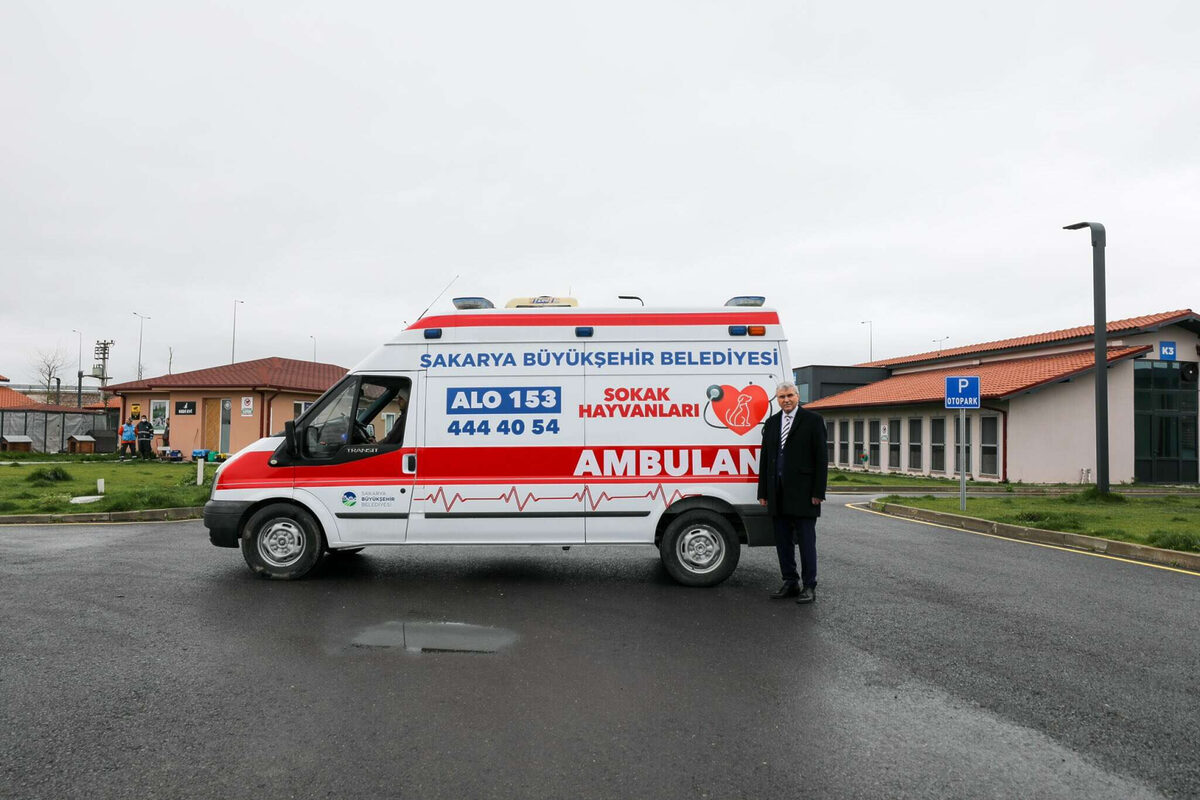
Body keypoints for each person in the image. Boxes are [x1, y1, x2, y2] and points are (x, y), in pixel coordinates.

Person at [757, 381, 828, 604]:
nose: (786, 400)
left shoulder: (813, 421)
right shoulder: (771, 423)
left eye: (789, 395)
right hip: (777, 493)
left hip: (805, 494)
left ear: (797, 396)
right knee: (783, 541)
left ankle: (809, 586)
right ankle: (790, 582)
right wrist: (763, 491)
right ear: (776, 399)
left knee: (806, 542)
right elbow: (765, 459)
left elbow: (821, 459)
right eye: (781, 397)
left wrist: (818, 491)